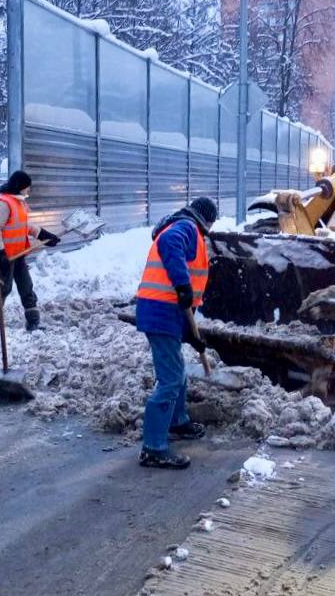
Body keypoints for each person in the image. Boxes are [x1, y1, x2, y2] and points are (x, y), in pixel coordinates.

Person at [134, 197, 218, 469]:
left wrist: (192, 336)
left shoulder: (186, 227)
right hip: (160, 312)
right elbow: (171, 245)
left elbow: (185, 302)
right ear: (207, 220)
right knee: (170, 380)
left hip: (168, 312)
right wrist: (182, 285)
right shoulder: (186, 227)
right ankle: (153, 448)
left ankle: (177, 421)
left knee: (177, 373)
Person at [0, 170, 61, 331]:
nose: (29, 190)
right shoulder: (4, 204)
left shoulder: (19, 202)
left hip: (18, 254)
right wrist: (0, 253)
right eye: (27, 187)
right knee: (4, 287)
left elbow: (24, 225)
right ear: (19, 187)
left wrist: (43, 234)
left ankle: (33, 321)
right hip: (5, 256)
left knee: (26, 286)